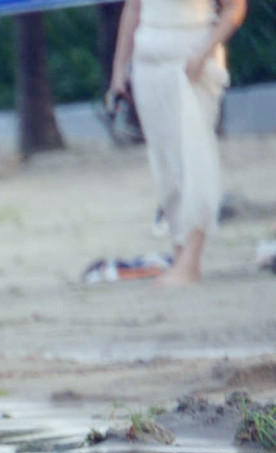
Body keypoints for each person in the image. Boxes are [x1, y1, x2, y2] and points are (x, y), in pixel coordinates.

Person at [108, 0, 245, 286]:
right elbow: (133, 9)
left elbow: (234, 9)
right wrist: (120, 69)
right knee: (165, 163)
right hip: (148, 62)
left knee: (194, 157)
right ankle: (179, 253)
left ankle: (191, 261)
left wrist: (203, 52)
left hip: (191, 61)